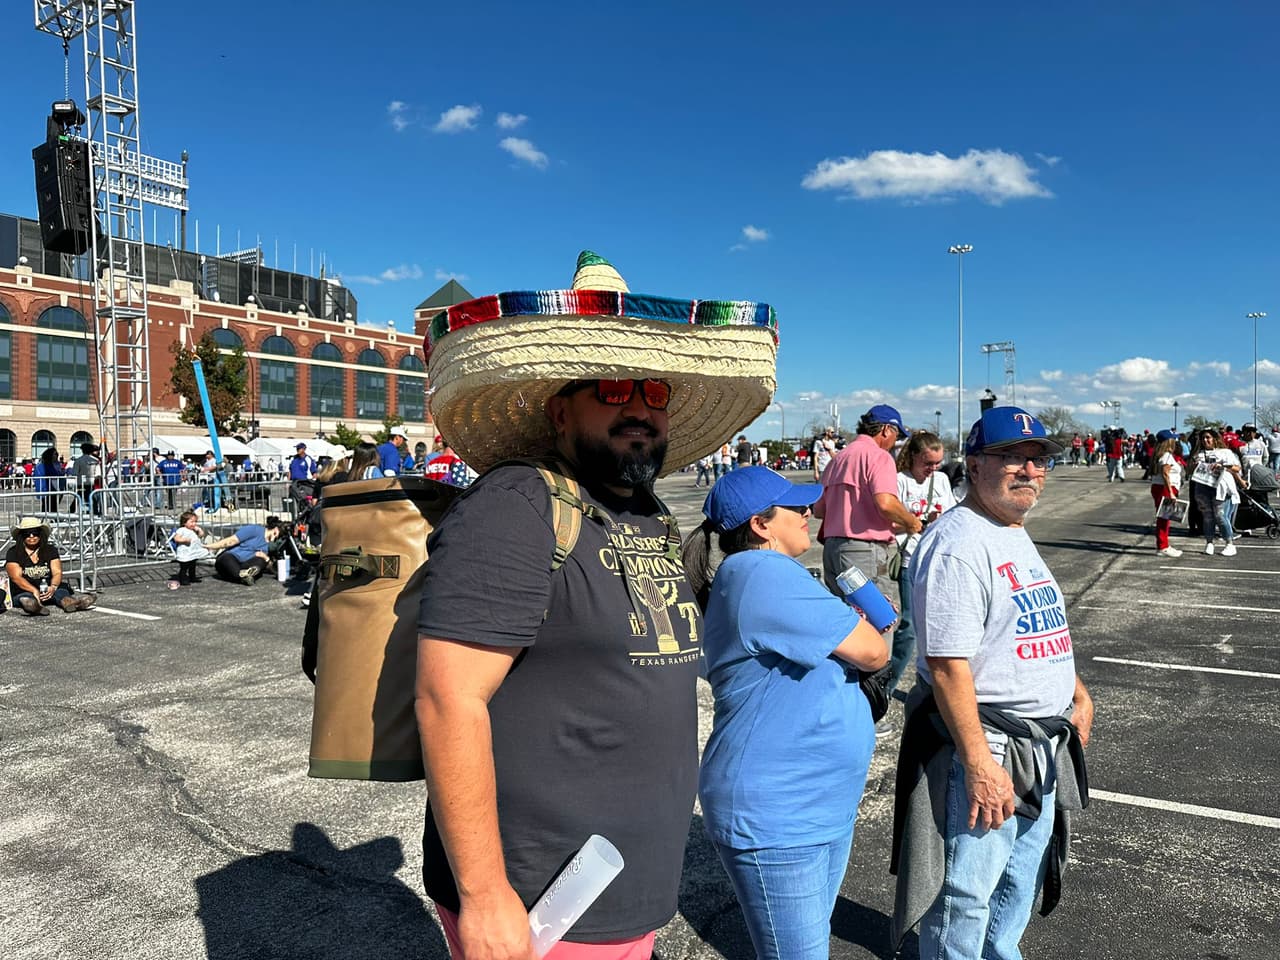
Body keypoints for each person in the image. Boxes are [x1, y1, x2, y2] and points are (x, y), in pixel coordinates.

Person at [414, 249, 778, 959]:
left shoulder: (645, 512)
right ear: (559, 410)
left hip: (618, 887)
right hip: (538, 902)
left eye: (652, 390)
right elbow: (445, 698)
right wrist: (486, 895)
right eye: (611, 389)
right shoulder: (517, 504)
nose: (638, 405)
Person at [891, 406, 1093, 960]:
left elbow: (1026, 624)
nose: (1028, 470)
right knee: (965, 894)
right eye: (1010, 458)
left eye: (1036, 460)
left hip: (1041, 740)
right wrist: (979, 762)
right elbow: (947, 666)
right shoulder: (959, 543)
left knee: (1018, 881)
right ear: (974, 466)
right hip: (991, 743)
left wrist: (1073, 691)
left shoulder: (1009, 529)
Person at [682, 466, 887, 958]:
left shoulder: (762, 574)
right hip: (781, 813)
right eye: (795, 507)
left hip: (812, 805)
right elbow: (875, 653)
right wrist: (862, 632)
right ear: (760, 525)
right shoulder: (759, 571)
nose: (808, 513)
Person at [814, 404, 922, 730]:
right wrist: (913, 522)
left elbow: (819, 509)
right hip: (864, 552)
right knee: (880, 626)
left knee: (845, 628)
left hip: (834, 548)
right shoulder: (878, 457)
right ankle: (869, 714)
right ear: (886, 430)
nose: (895, 443)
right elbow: (886, 503)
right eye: (895, 436)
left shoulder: (838, 459)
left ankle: (842, 703)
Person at [891, 431, 956, 693]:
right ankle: (885, 686)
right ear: (913, 456)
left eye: (937, 463)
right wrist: (914, 523)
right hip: (909, 559)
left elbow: (951, 515)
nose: (933, 468)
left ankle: (935, 687)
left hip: (936, 561)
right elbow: (887, 521)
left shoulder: (940, 480)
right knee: (907, 628)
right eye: (928, 463)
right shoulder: (899, 481)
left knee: (941, 625)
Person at [4, 517, 95, 614]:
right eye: (27, 534)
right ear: (21, 536)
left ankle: (71, 603)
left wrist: (53, 586)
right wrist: (34, 590)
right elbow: (16, 578)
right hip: (24, 589)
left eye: (35, 533)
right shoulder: (13, 552)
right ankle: (35, 607)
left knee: (61, 593)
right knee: (25, 598)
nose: (31, 536)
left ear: (41, 534)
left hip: (48, 588)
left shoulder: (50, 550)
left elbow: (57, 572)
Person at [1189, 430, 1241, 557]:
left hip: (1221, 487)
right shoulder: (1198, 454)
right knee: (1207, 517)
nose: (1205, 440)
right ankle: (1209, 543)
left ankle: (1229, 543)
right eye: (1203, 438)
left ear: (1215, 439)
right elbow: (1189, 470)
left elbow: (1237, 468)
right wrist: (1194, 465)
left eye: (1208, 437)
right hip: (1203, 487)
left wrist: (1222, 466)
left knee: (1220, 516)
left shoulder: (1225, 452)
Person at [206, 517, 283, 584]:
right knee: (228, 562)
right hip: (231, 556)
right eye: (278, 535)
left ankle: (243, 575)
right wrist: (210, 546)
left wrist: (266, 558)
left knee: (262, 561)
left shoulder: (268, 546)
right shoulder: (254, 529)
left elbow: (270, 567)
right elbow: (230, 541)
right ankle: (244, 575)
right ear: (275, 529)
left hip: (244, 564)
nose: (277, 539)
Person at [1150, 430, 1184, 558]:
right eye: (1173, 439)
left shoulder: (1161, 454)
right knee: (1164, 518)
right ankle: (1163, 546)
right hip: (1165, 488)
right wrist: (1170, 492)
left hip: (1160, 487)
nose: (1175, 441)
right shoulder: (1167, 456)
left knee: (1164, 517)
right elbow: (1165, 473)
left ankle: (1163, 544)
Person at [170, 510, 212, 585]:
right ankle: (183, 578)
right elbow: (176, 538)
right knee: (184, 567)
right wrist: (184, 540)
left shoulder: (193, 530)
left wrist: (199, 530)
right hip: (184, 552)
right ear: (184, 522)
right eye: (191, 522)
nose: (194, 524)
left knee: (193, 565)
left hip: (193, 551)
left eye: (195, 522)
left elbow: (201, 535)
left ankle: (192, 577)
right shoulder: (182, 530)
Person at [33, 447, 66, 514]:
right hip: (47, 488)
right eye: (55, 454)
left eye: (57, 454)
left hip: (52, 487)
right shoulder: (45, 465)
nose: (56, 456)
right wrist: (61, 472)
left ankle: (50, 519)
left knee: (51, 506)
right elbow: (53, 473)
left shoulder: (54, 464)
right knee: (48, 506)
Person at [72, 442, 102, 514]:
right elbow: (98, 473)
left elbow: (75, 473)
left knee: (78, 498)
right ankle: (95, 512)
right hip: (92, 482)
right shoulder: (95, 460)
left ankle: (72, 511)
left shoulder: (78, 460)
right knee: (92, 498)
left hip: (80, 482)